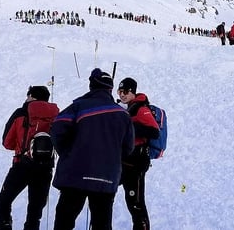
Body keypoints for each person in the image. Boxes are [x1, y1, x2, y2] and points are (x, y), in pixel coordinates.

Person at [50, 68, 134, 230]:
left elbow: (57, 130)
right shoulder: (124, 115)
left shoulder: (78, 107)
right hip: (107, 176)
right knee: (102, 224)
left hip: (75, 174)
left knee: (64, 221)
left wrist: (68, 154)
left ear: (91, 86)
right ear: (110, 89)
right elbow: (128, 147)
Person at [0, 86, 60, 230]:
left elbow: (7, 142)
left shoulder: (21, 112)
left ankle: (4, 225)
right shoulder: (56, 114)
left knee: (4, 200)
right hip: (45, 167)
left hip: (22, 164)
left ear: (31, 96)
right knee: (35, 208)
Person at [117, 77, 160, 230]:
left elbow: (154, 131)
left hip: (137, 163)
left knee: (136, 202)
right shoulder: (129, 108)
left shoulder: (141, 108)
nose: (122, 94)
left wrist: (131, 128)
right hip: (126, 161)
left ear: (133, 91)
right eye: (120, 91)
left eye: (126, 91)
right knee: (129, 200)